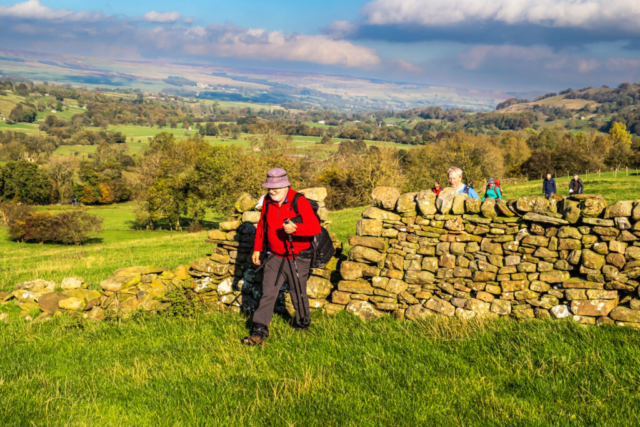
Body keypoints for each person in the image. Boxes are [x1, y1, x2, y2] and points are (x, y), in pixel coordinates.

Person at [242, 168, 321, 346]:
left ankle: (302, 325)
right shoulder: (268, 202)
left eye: (276, 187)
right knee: (268, 293)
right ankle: (259, 330)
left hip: (297, 256)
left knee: (297, 293)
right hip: (274, 256)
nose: (272, 191)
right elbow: (262, 226)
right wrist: (257, 249)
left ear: (286, 185)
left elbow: (315, 228)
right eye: (270, 187)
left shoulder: (299, 201)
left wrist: (296, 229)